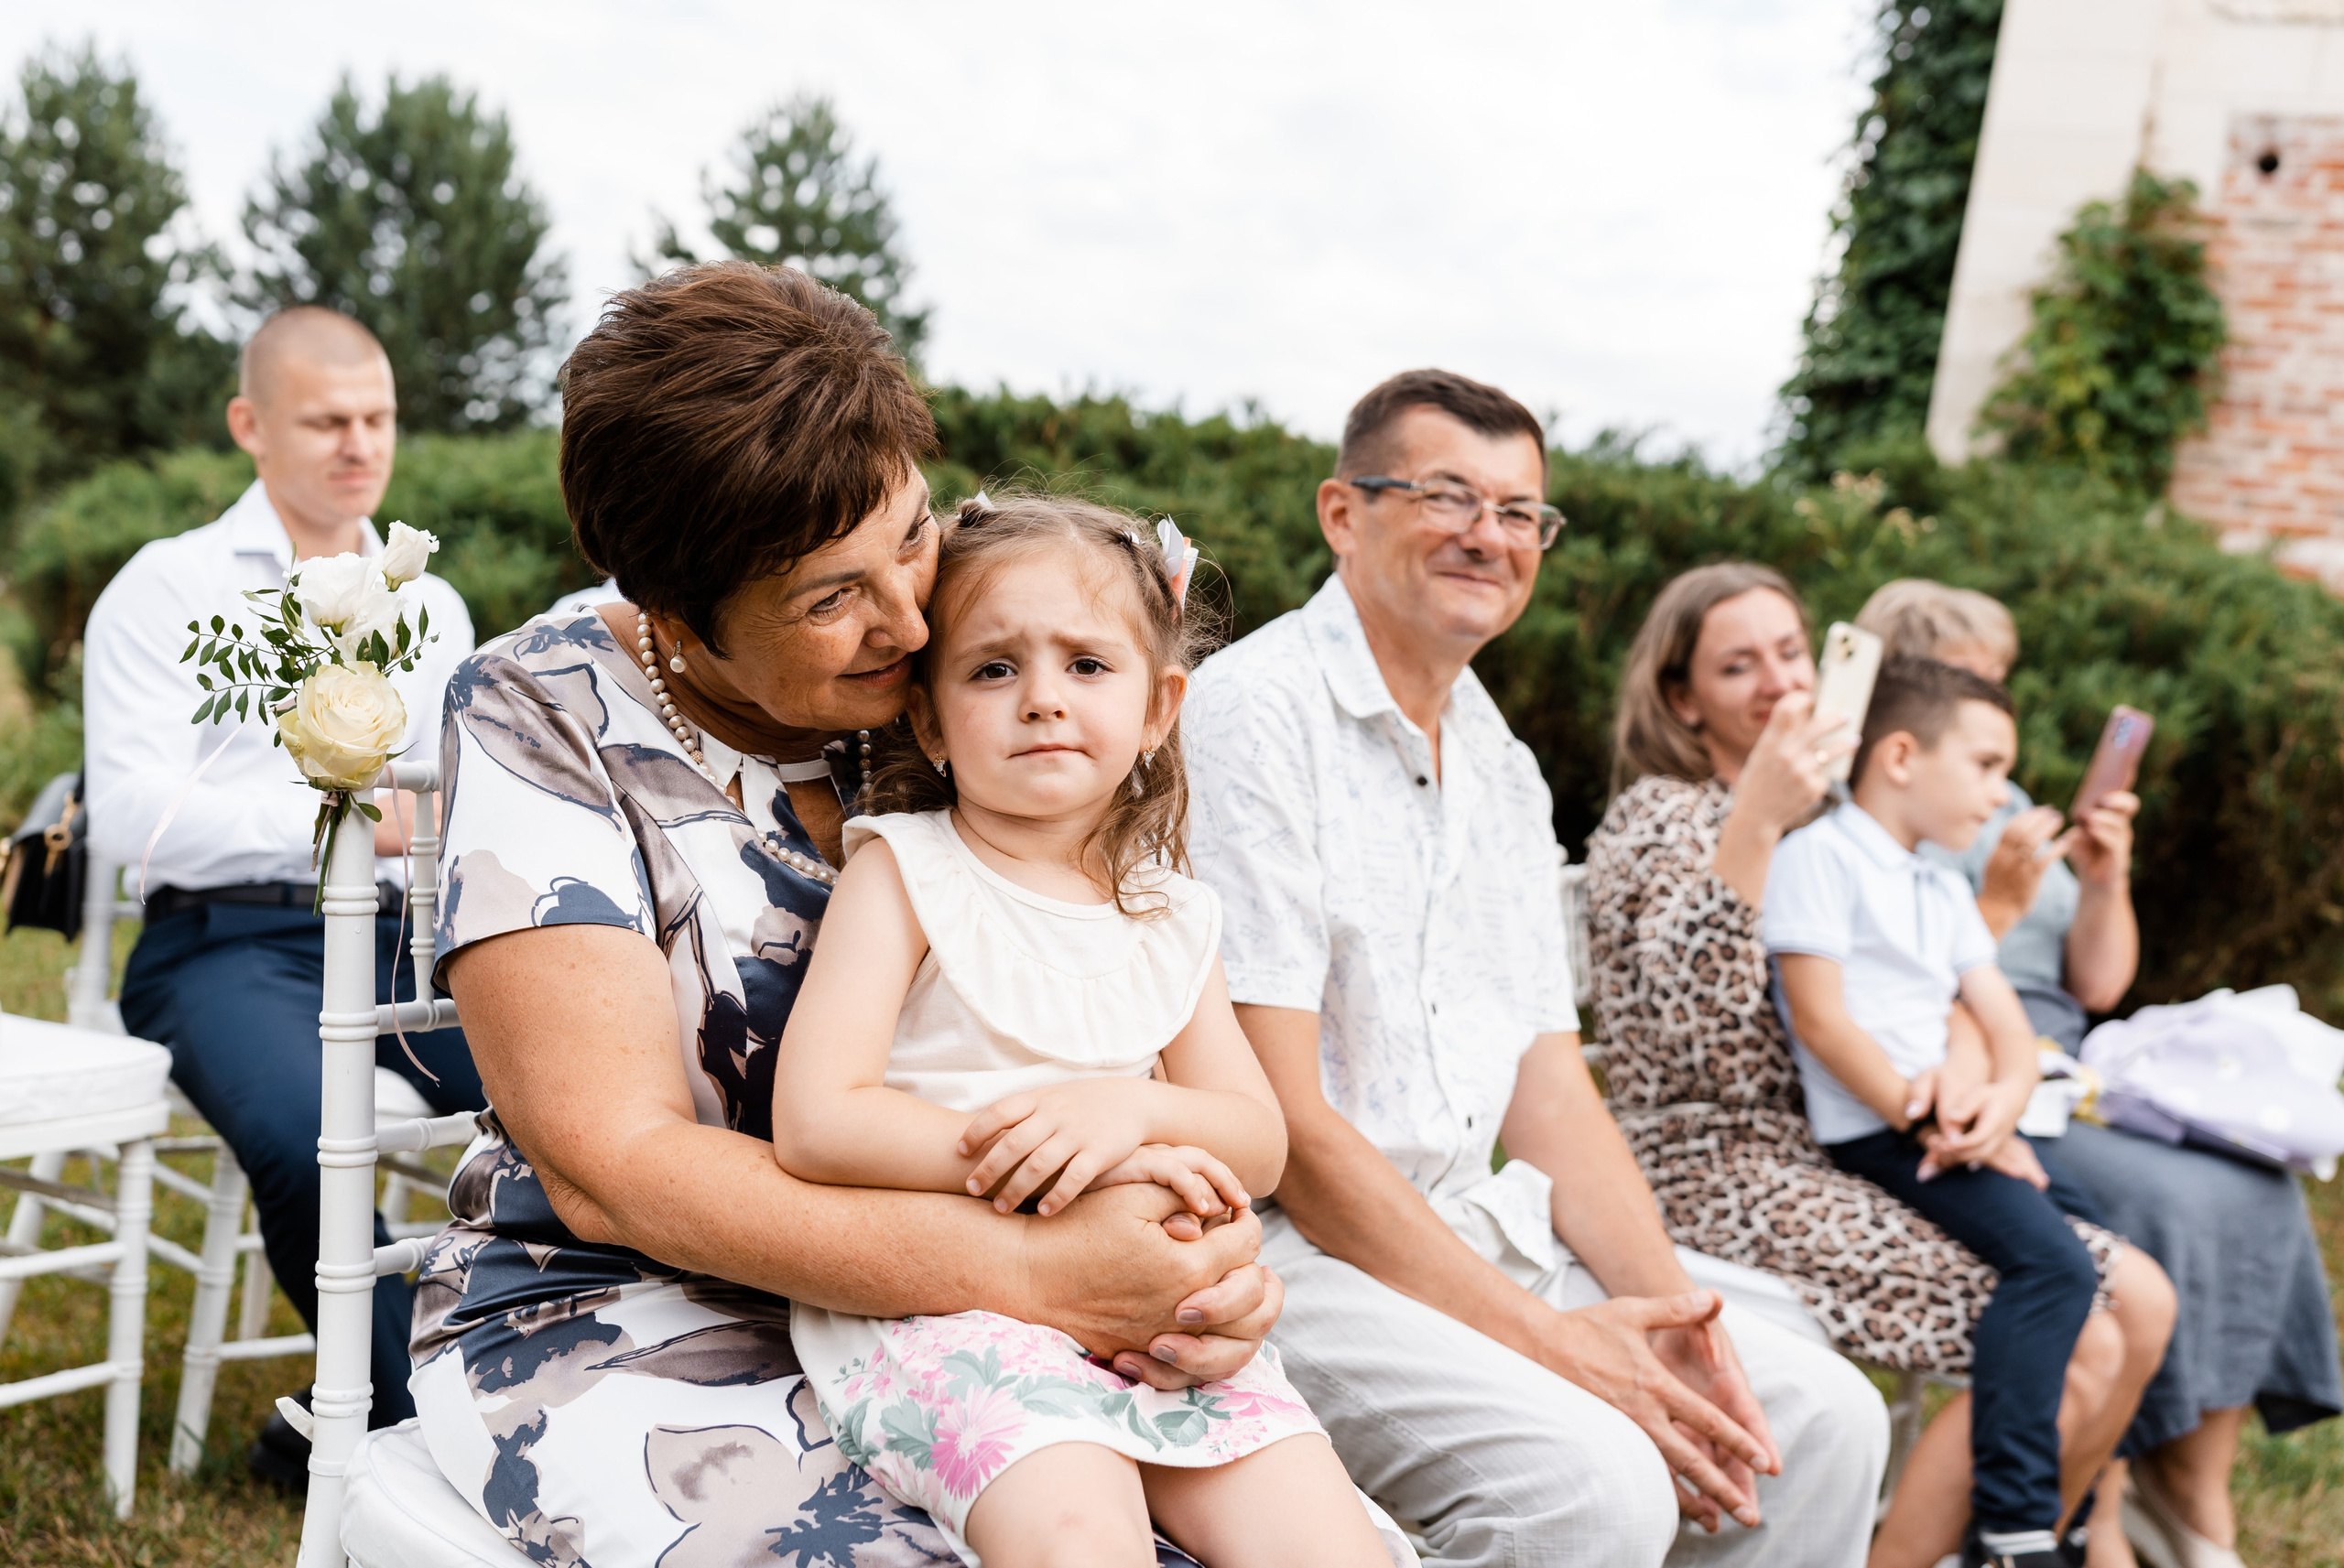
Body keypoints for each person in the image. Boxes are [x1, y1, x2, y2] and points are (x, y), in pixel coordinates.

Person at [410, 264, 1284, 1567]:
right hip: (635, 1316)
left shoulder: (968, 683)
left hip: (1013, 1318)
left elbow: (1120, 1018)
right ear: (679, 614)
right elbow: (613, 1168)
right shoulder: (543, 715)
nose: (915, 618)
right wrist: (1045, 1272)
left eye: (917, 534)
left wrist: (1193, 1262)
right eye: (832, 598)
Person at [1184, 369, 1889, 1568]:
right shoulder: (1256, 710)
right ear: (1342, 513)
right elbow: (1291, 1128)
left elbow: (1551, 1090)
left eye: (1521, 512)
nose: (1490, 535)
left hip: (1474, 1226)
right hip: (1298, 1255)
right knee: (1597, 1486)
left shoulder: (1502, 764)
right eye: (1448, 494)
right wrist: (1554, 1344)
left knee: (1819, 1417)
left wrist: (1680, 1327)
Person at [771, 494, 1400, 1568]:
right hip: (947, 1314)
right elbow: (818, 1122)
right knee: (1077, 1539)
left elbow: (1258, 1139)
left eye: (1087, 667)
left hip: (1155, 1324)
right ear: (928, 720)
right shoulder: (907, 872)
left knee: (1330, 1547)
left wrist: (1130, 1111)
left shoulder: (1167, 911)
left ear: (1159, 708)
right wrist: (1043, 1175)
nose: (1043, 701)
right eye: (993, 669)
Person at [1580, 563, 2179, 1568]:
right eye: (1738, 665)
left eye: (1790, 652)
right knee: (2087, 1330)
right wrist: (1755, 824)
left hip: (1849, 1146)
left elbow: (1919, 995)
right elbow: (1697, 1042)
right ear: (1682, 699)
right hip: (1716, 1173)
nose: (1777, 680)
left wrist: (1974, 1094)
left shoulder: (1837, 826)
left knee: (2138, 1301)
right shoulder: (1661, 820)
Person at [1858, 579, 2344, 1568]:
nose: (1997, 704)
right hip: (1982, 1075)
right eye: (1974, 680)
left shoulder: (2002, 807)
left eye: (1998, 679)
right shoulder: (1888, 825)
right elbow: (1903, 1005)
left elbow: (2099, 978)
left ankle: (2187, 1483)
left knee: (2253, 1187)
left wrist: (2106, 874)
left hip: (2065, 1067)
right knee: (2166, 1202)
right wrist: (1989, 907)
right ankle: (2110, 1501)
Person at [81, 306, 481, 1488]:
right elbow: (130, 814)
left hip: (409, 941)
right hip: (223, 943)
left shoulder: (436, 606)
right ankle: (419, 1448)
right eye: (328, 420)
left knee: (568, 1105)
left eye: (379, 418)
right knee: (321, 1144)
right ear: (250, 424)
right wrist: (341, 813)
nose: (361, 444)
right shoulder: (167, 587)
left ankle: (361, 1407)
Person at [1765, 657, 2173, 1568]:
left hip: (1958, 1127)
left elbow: (2000, 1022)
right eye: (1987, 766)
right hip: (1880, 1135)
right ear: (1901, 756)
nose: (2002, 792)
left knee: (2086, 1237)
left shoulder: (1939, 887)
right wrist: (1929, 1121)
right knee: (2054, 1268)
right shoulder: (1818, 860)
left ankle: (2059, 1514)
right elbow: (1824, 1023)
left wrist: (1999, 1109)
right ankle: (2015, 1524)